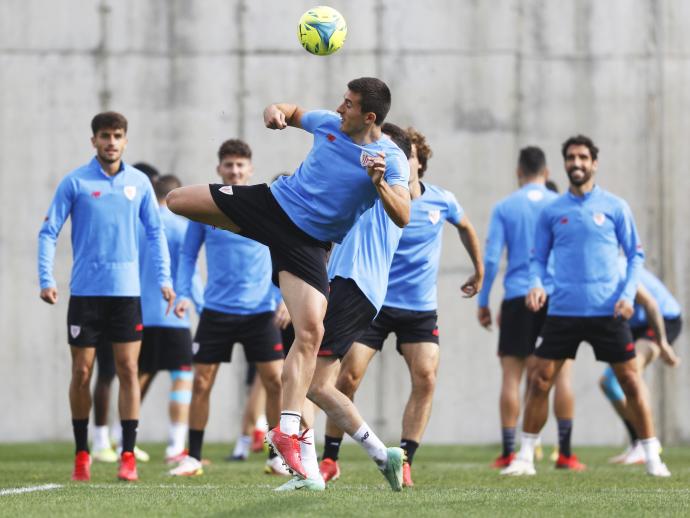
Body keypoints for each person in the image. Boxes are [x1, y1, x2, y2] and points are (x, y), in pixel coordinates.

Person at [166, 77, 410, 477]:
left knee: (309, 333)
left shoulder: (390, 158)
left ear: (369, 116)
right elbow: (292, 111)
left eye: (348, 104)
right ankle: (244, 225)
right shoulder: (329, 124)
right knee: (177, 201)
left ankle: (288, 430)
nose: (339, 107)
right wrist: (274, 112)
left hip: (308, 243)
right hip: (272, 206)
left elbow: (403, 214)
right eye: (342, 100)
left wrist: (379, 181)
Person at [319, 126, 484, 487]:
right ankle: (330, 458)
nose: (396, 159)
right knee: (346, 377)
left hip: (419, 309)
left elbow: (467, 226)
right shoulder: (377, 196)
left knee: (425, 376)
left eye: (405, 155)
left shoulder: (442, 201)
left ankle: (405, 458)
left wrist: (479, 270)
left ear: (418, 163)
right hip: (374, 303)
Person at [501, 134, 670, 477]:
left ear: (594, 163)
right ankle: (525, 458)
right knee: (539, 380)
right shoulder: (553, 210)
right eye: (571, 158)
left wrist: (626, 294)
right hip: (563, 311)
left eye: (583, 158)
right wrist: (536, 283)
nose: (576, 164)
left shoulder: (615, 207)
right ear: (564, 164)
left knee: (631, 382)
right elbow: (537, 258)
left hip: (608, 312)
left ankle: (652, 456)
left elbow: (635, 255)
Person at [274, 122, 412, 492]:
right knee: (316, 384)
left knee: (303, 374)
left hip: (355, 287)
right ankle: (380, 457)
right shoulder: (359, 185)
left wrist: (380, 180)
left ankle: (310, 470)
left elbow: (403, 208)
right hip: (341, 286)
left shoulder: (389, 189)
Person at [38, 112, 174, 481]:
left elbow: (155, 233)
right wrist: (46, 278)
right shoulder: (75, 182)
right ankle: (82, 453)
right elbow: (48, 231)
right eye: (104, 136)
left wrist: (164, 278)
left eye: (117, 136)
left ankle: (127, 454)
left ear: (125, 140)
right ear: (94, 140)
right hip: (85, 295)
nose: (111, 142)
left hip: (126, 294)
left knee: (129, 370)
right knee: (82, 372)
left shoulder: (139, 183)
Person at [169, 139, 287, 477]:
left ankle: (277, 455)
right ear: (219, 169)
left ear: (249, 169)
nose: (234, 171)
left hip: (261, 312)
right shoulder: (205, 209)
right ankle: (193, 457)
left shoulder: (266, 205)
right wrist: (182, 294)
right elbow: (188, 256)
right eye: (228, 165)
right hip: (216, 312)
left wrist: (283, 300)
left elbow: (286, 253)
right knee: (202, 383)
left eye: (240, 165)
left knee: (276, 383)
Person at [476, 147, 583, 471]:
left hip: (518, 297)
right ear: (547, 173)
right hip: (557, 297)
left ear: (519, 172)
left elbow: (492, 257)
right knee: (562, 374)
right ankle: (564, 452)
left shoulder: (505, 206)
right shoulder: (560, 204)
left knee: (512, 376)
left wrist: (483, 301)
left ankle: (509, 452)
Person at [91, 161, 161, 464]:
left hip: (137, 304)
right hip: (110, 297)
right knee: (107, 371)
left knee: (130, 371)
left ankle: (121, 438)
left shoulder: (150, 223)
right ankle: (100, 438)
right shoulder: (127, 217)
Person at [138, 174, 205, 464]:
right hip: (172, 314)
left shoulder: (141, 226)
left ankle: (119, 439)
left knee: (137, 377)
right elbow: (188, 271)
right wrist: (202, 308)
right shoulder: (181, 225)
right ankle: (175, 446)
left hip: (139, 312)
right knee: (182, 376)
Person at [602, 259, 681, 464]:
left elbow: (651, 304)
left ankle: (648, 443)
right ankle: (638, 443)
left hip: (662, 319)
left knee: (631, 374)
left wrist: (662, 343)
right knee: (608, 383)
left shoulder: (617, 269)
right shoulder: (589, 275)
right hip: (633, 325)